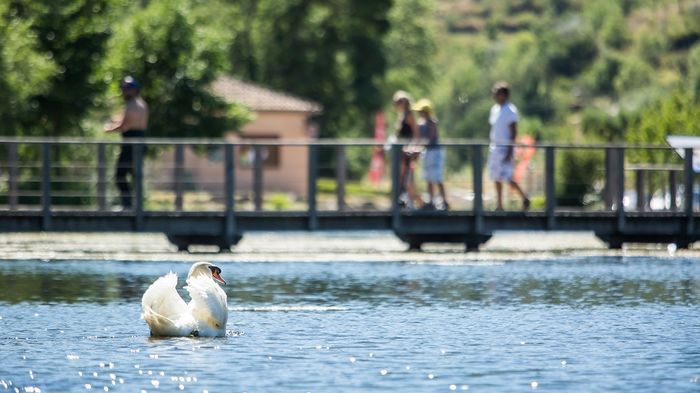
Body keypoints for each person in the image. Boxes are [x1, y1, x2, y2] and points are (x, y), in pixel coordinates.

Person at [104, 76, 149, 209]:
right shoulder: (142, 104)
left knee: (120, 175)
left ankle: (128, 205)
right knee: (135, 175)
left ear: (135, 90)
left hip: (130, 144)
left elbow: (124, 126)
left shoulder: (131, 106)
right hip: (140, 143)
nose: (124, 92)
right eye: (124, 89)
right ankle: (137, 205)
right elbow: (128, 121)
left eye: (127, 89)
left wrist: (108, 129)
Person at [487, 82, 529, 211]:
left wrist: (510, 150)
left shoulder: (510, 110)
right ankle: (499, 205)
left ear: (504, 95)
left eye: (497, 93)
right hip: (495, 147)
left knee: (507, 177)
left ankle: (524, 198)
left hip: (505, 148)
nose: (494, 95)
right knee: (496, 177)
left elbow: (513, 132)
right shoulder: (494, 109)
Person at [412, 98, 449, 210]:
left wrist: (419, 147)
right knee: (428, 177)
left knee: (437, 177)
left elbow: (430, 138)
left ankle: (444, 200)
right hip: (427, 152)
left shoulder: (432, 122)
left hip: (435, 152)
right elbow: (418, 139)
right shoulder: (420, 123)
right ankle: (431, 201)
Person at [392, 90, 422, 209]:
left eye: (399, 102)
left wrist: (413, 148)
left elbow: (416, 134)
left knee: (407, 178)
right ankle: (409, 203)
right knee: (404, 178)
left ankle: (420, 203)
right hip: (401, 151)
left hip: (408, 152)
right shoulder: (401, 116)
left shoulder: (409, 115)